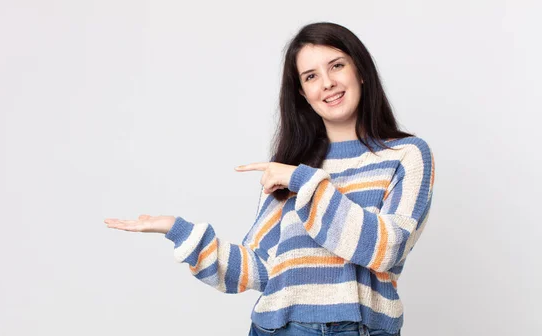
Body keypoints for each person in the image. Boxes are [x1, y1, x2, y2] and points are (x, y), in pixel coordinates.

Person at [105, 22, 435, 336]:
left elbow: (385, 248)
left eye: (336, 66)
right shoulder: (290, 168)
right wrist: (181, 232)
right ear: (303, 94)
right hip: (276, 328)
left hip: (357, 326)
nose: (327, 83)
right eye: (310, 76)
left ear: (360, 71)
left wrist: (306, 182)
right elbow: (263, 268)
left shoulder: (406, 154)